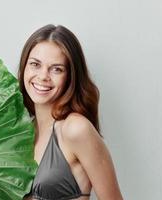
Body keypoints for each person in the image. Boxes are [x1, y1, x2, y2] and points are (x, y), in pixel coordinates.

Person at [18, 24, 123, 200]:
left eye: (56, 69)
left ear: (70, 76)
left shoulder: (75, 129)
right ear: (24, 68)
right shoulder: (23, 131)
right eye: (35, 64)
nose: (43, 76)